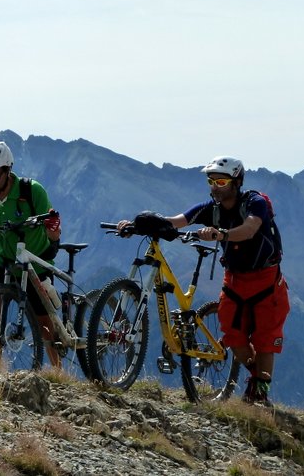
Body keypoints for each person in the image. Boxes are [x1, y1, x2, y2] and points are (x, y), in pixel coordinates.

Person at [118, 156, 289, 406]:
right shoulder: (211, 208)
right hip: (235, 281)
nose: (215, 186)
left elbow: (250, 229)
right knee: (233, 338)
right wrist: (138, 224)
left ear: (237, 182)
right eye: (211, 181)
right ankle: (256, 379)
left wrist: (222, 234)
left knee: (265, 339)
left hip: (266, 282)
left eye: (221, 181)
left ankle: (260, 395)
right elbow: (178, 220)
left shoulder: (255, 202)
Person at [0, 140, 63, 366]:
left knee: (43, 320)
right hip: (2, 258)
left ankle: (58, 371)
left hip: (34, 260)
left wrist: (54, 231)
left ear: (8, 171)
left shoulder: (32, 191)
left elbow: (53, 230)